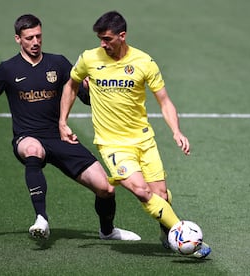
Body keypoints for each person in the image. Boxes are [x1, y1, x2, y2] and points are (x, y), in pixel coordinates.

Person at [0, 14, 140, 241]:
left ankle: (107, 230)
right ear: (18, 39)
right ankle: (41, 218)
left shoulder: (59, 63)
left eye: (38, 36)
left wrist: (93, 88)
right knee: (33, 150)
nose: (35, 42)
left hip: (60, 137)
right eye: (29, 38)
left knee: (106, 189)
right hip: (27, 137)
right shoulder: (7, 69)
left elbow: (84, 97)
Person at [59, 11, 211, 258]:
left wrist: (176, 131)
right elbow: (71, 85)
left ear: (122, 35)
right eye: (100, 39)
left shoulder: (144, 62)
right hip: (112, 144)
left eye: (107, 39)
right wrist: (62, 121)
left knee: (161, 195)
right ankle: (184, 234)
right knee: (141, 191)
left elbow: (164, 101)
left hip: (144, 140)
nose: (102, 44)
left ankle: (167, 232)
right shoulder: (88, 59)